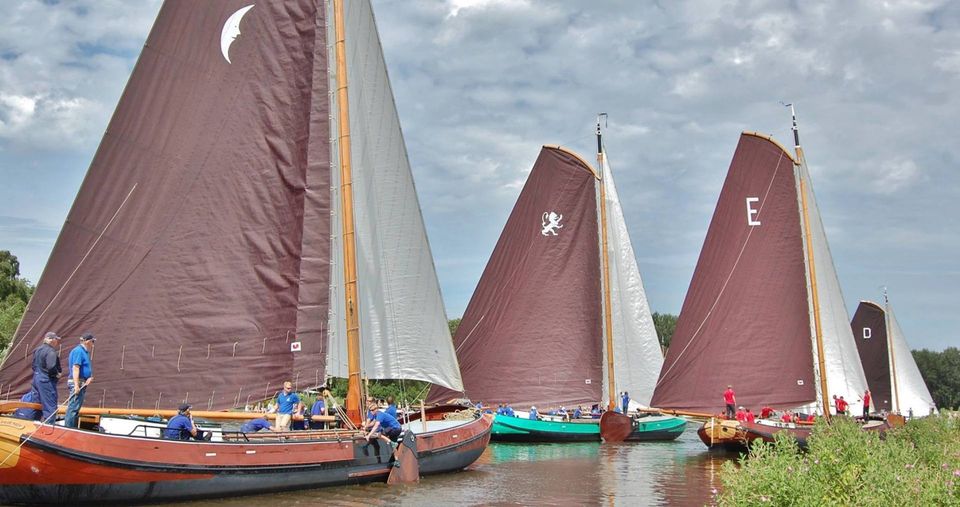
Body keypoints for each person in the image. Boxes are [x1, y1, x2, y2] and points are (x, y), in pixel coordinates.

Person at [31, 331, 63, 423]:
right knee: (50, 407)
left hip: (36, 378)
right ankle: (48, 427)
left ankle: (32, 424)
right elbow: (51, 366)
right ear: (52, 340)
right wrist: (57, 374)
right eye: (56, 339)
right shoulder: (51, 351)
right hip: (46, 380)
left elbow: (33, 365)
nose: (57, 341)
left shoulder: (37, 350)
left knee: (36, 405)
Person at [64, 333, 95, 428]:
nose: (93, 344)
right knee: (73, 408)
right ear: (87, 341)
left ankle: (72, 428)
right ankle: (69, 430)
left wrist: (88, 377)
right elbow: (76, 368)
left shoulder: (84, 352)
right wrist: (76, 385)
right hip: (78, 383)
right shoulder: (79, 351)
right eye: (92, 342)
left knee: (76, 408)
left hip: (82, 382)